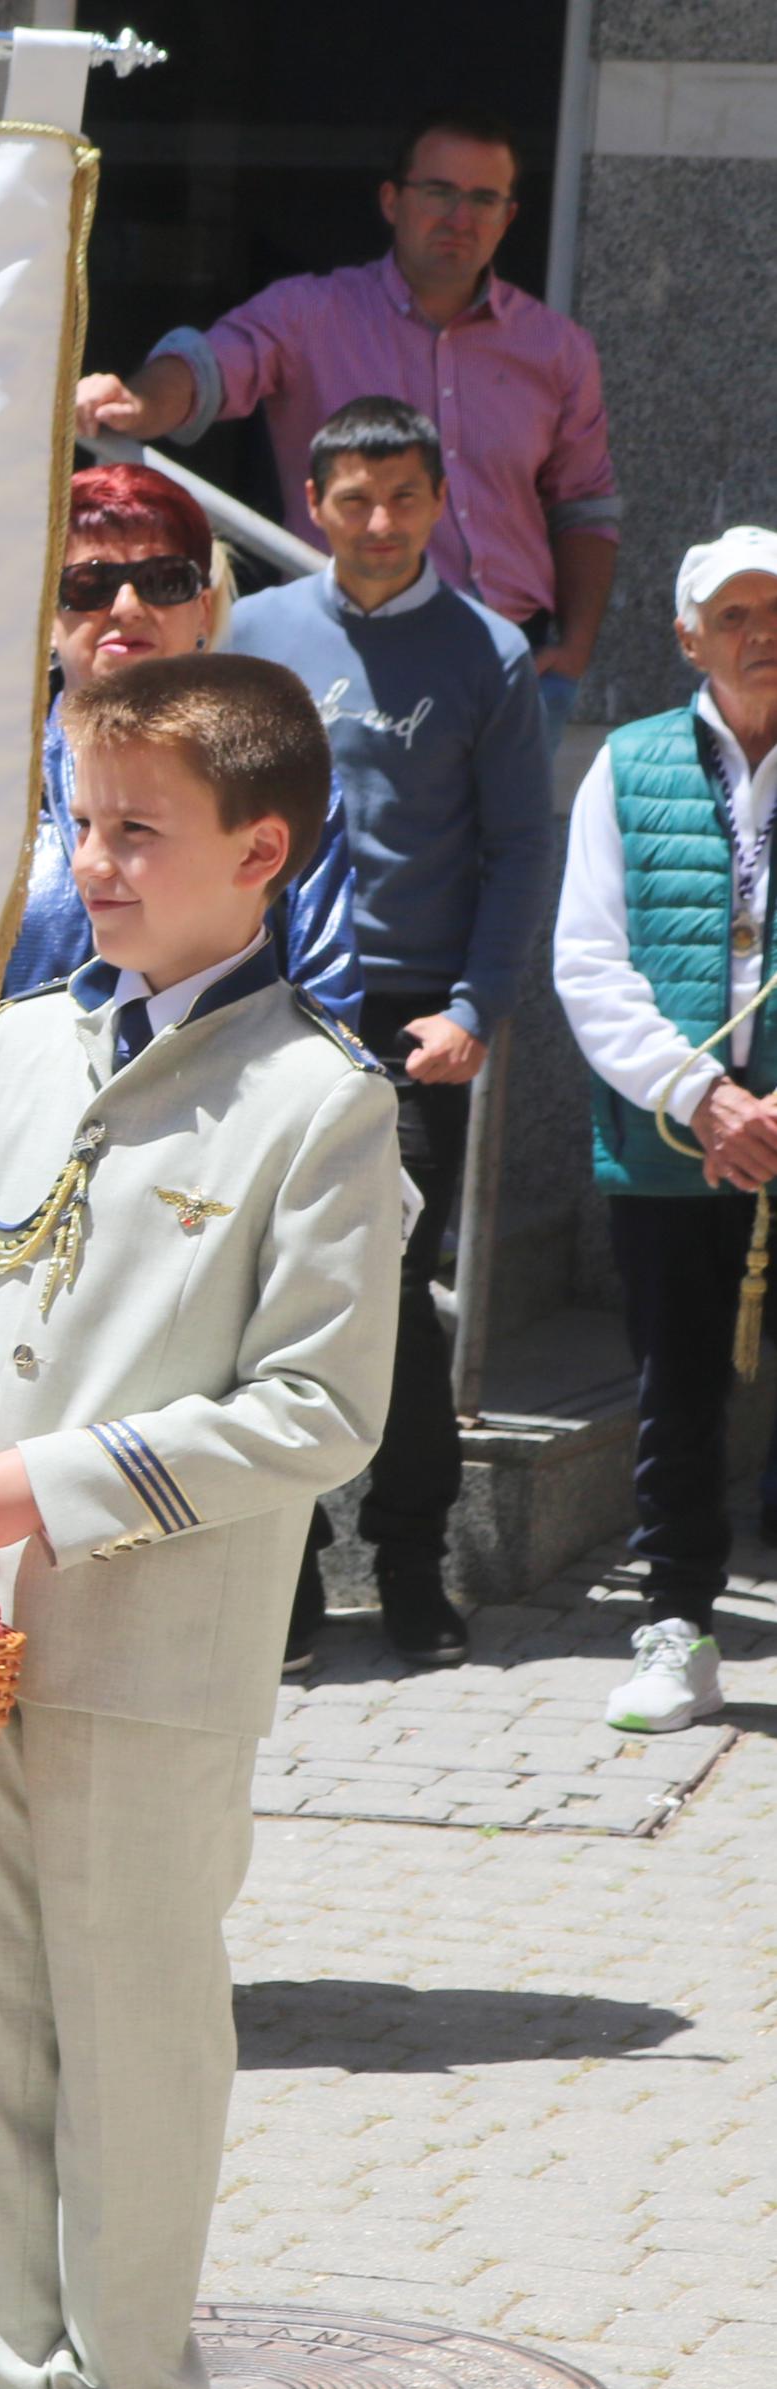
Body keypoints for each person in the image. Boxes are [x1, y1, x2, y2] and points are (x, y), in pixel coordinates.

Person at [0, 653, 400, 2389]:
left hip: (148, 1668)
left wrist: (44, 1489)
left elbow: (316, 1415)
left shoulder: (315, 1103)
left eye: (136, 828)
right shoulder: (20, 1044)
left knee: (131, 2039)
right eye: (80, 817)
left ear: (260, 852)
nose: (95, 855)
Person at [0, 461, 364, 1674]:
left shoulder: (270, 785)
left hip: (190, 1222)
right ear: (39, 615)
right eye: (86, 582)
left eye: (162, 578)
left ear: (208, 607)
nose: (125, 608)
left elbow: (313, 996)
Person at [225, 395, 557, 1668]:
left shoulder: (486, 652)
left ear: (436, 503)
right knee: (256, 1287)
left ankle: (408, 1562)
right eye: (352, 499)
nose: (376, 523)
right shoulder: (252, 634)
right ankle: (286, 1570)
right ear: (312, 503)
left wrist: (475, 1005)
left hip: (411, 1021)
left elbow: (518, 845)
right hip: (266, 1005)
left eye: (402, 498)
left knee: (394, 1297)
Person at [77, 110, 619, 738]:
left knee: (510, 840)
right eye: (439, 192)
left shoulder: (557, 348)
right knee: (322, 838)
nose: (459, 216)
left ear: (508, 216)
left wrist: (574, 647)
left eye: (482, 198)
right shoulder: (309, 313)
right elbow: (206, 369)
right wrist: (139, 404)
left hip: (511, 665)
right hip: (343, 660)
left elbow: (585, 509)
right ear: (392, 200)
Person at [547, 529, 777, 1737]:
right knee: (674, 1393)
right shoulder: (626, 766)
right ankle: (677, 1630)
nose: (757, 632)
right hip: (673, 1144)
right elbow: (586, 964)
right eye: (730, 613)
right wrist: (704, 1097)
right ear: (685, 635)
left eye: (773, 609)